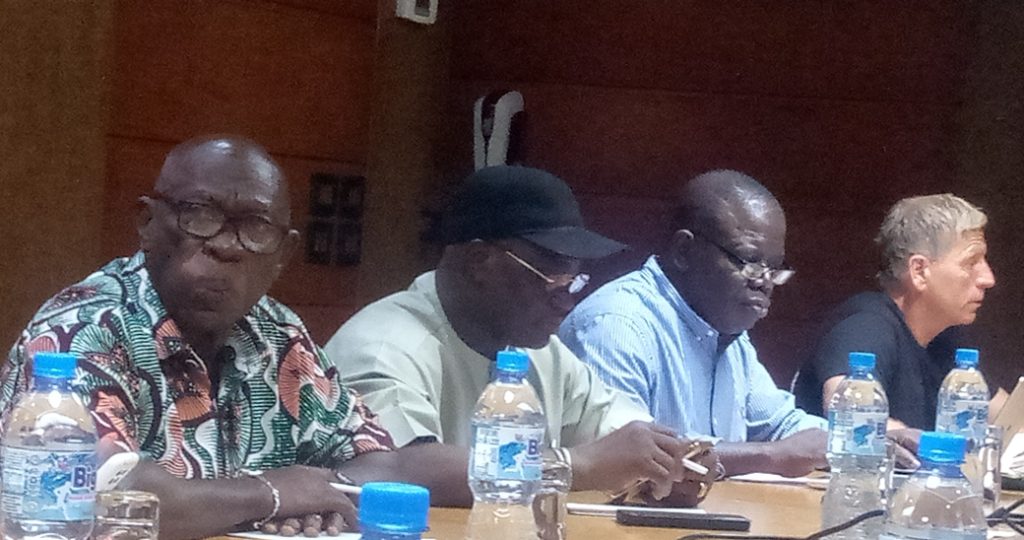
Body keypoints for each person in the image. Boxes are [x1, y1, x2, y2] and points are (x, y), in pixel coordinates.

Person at [0, 136, 461, 540]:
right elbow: (102, 494)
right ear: (147, 224)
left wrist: (309, 495)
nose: (226, 245)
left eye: (256, 227)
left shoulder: (279, 335)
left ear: (284, 254)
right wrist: (269, 495)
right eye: (200, 214)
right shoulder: (85, 329)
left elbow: (380, 463)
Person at [326, 165, 718, 506]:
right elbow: (396, 470)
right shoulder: (383, 346)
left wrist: (674, 462)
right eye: (553, 281)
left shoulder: (542, 351)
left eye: (575, 282)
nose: (567, 304)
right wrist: (575, 467)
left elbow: (619, 432)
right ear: (480, 262)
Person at [559, 170, 835, 478]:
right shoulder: (616, 324)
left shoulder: (726, 332)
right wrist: (770, 457)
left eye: (774, 268)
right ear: (683, 251)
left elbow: (780, 425)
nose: (765, 283)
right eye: (749, 262)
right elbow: (631, 457)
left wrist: (863, 443)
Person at [793, 194, 1003, 430]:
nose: (988, 279)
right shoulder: (866, 326)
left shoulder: (945, 340)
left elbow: (1010, 421)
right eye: (970, 262)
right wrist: (932, 448)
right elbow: (847, 414)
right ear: (919, 271)